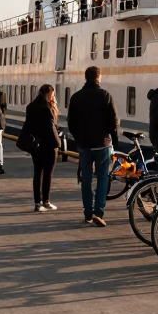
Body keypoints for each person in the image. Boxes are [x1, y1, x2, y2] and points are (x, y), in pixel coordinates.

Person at [67, 66, 119, 226]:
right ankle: (99, 212)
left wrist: (79, 138)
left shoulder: (76, 97)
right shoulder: (105, 96)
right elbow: (113, 122)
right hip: (101, 146)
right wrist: (114, 142)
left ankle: (88, 213)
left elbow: (71, 123)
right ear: (98, 77)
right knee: (103, 178)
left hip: (84, 145)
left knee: (86, 180)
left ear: (85, 77)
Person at [23, 83, 60, 211]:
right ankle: (46, 201)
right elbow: (51, 128)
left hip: (35, 145)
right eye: (53, 94)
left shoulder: (31, 107)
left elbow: (29, 125)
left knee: (37, 172)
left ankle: (37, 203)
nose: (54, 96)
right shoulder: (48, 108)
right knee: (48, 173)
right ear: (49, 94)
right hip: (48, 144)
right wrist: (58, 143)